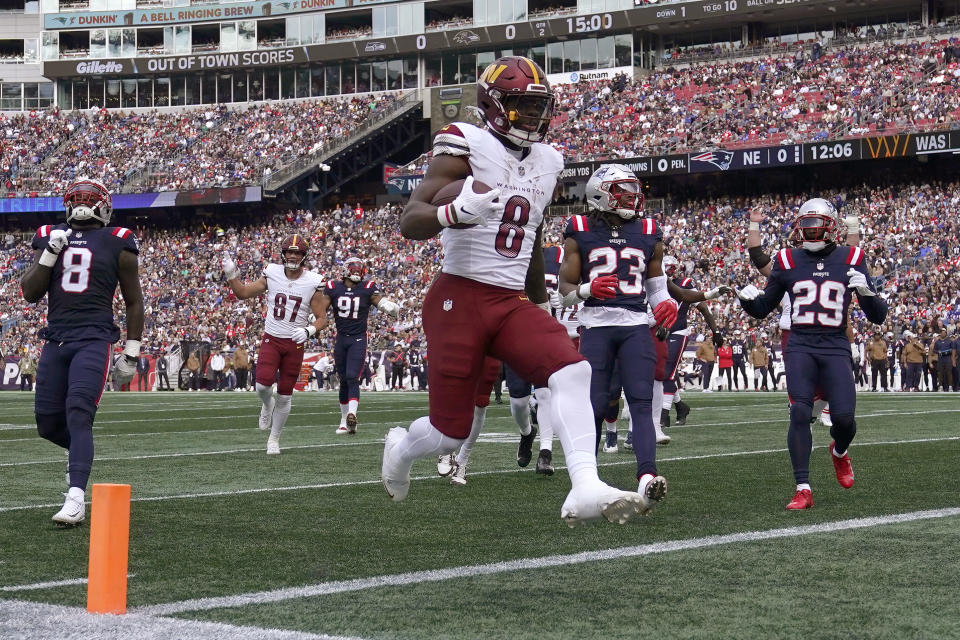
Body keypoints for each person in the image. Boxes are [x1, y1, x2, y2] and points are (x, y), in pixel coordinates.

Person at [384, 57, 650, 526]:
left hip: (510, 301)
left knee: (572, 371)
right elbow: (411, 219)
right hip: (459, 297)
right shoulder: (464, 143)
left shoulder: (549, 160)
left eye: (538, 107)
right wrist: (453, 213)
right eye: (523, 107)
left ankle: (586, 486)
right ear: (493, 105)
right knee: (450, 434)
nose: (534, 117)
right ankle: (400, 451)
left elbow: (530, 237)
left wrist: (542, 305)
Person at [737, 198, 887, 509]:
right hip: (801, 345)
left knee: (844, 419)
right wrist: (748, 301)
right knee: (800, 412)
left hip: (834, 346)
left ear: (832, 229)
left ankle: (839, 452)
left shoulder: (852, 256)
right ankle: (803, 487)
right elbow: (765, 306)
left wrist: (867, 292)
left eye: (818, 227)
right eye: (807, 227)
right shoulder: (788, 260)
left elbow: (878, 316)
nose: (812, 233)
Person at [20, 178, 144, 526]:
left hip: (93, 339)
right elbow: (29, 292)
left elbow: (134, 301)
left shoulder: (118, 240)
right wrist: (49, 253)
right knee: (47, 424)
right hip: (56, 339)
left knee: (78, 413)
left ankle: (76, 497)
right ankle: (79, 457)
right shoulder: (49, 235)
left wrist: (131, 353)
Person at [557, 163, 679, 514]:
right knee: (594, 405)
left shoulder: (649, 231)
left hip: (636, 325)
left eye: (634, 189)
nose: (633, 196)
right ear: (602, 194)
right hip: (595, 324)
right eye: (623, 190)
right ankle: (587, 482)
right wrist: (586, 288)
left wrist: (665, 304)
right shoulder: (579, 229)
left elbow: (656, 287)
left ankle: (646, 476)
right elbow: (564, 292)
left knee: (640, 403)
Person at [223, 233, 326, 454]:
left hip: (295, 344)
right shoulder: (272, 273)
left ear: (304, 255)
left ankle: (274, 439)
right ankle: (266, 404)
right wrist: (231, 274)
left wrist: (309, 330)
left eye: (297, 252)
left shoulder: (313, 281)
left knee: (286, 394)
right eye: (290, 251)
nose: (293, 255)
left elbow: (322, 318)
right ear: (283, 253)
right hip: (272, 338)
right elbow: (242, 293)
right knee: (262, 386)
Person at [314, 257, 400, 433]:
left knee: (353, 376)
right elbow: (322, 309)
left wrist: (386, 306)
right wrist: (314, 318)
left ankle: (352, 415)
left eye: (359, 270)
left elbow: (378, 300)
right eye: (353, 269)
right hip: (341, 338)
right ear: (345, 271)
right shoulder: (334, 287)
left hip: (358, 339)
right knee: (343, 379)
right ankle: (344, 421)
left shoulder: (367, 288)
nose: (356, 273)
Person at [660, 255, 725, 425]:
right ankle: (680, 406)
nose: (667, 271)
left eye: (669, 267)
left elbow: (703, 306)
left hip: (677, 331)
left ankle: (663, 414)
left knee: (668, 372)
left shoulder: (685, 283)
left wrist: (716, 331)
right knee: (661, 373)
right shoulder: (655, 284)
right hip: (659, 332)